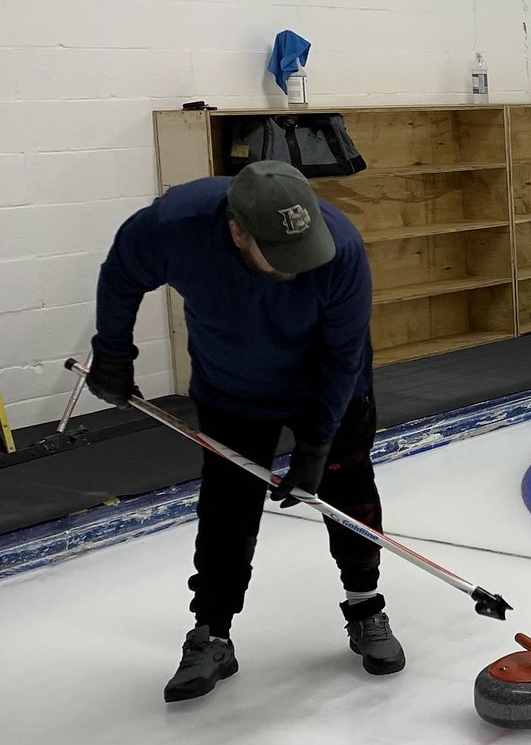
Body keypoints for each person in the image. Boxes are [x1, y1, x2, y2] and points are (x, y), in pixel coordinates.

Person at [85, 159, 403, 702]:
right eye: (280, 257)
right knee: (228, 504)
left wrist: (317, 443)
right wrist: (113, 351)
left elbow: (343, 353)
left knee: (347, 491)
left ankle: (366, 608)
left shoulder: (341, 249)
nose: (297, 268)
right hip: (233, 384)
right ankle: (212, 631)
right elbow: (120, 274)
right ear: (237, 231)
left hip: (326, 384)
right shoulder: (172, 227)